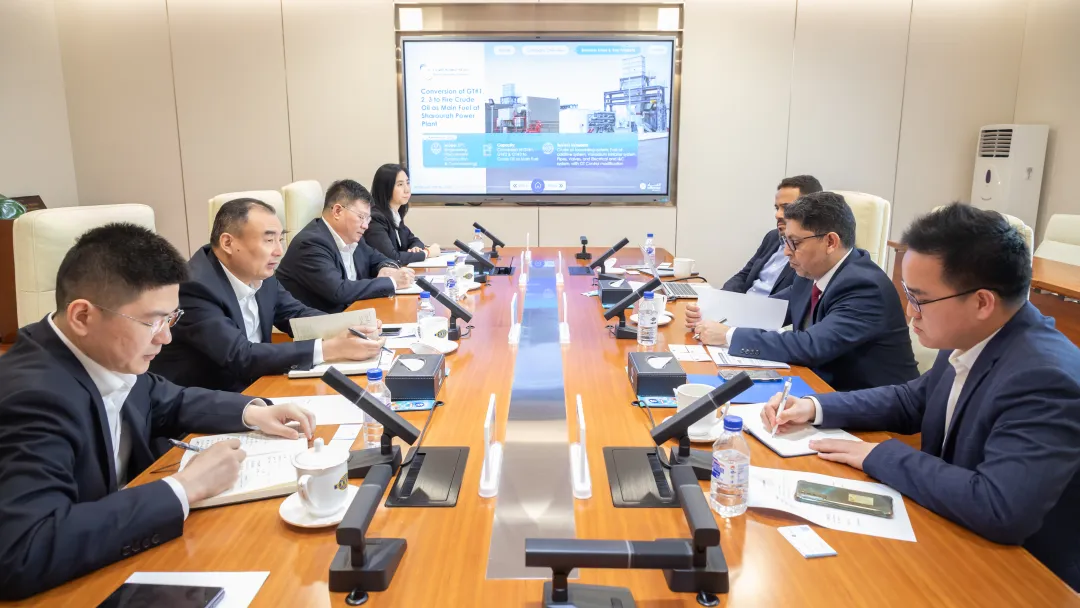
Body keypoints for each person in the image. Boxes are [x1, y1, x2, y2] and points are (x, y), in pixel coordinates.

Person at [762, 203, 1080, 591]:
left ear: (982, 302)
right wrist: (814, 407)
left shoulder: (1045, 378)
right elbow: (912, 401)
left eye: (919, 299)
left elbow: (999, 506)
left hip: (1021, 578)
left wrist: (878, 455)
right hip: (951, 528)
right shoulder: (972, 336)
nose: (909, 313)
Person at [0, 224, 315, 599]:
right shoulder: (32, 397)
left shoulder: (103, 352)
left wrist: (253, 411)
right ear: (82, 316)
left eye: (171, 318)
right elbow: (24, 549)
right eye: (151, 322)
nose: (165, 337)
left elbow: (167, 398)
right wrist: (184, 488)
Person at [686, 191, 918, 391]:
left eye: (794, 243)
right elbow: (769, 310)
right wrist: (709, 313)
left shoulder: (864, 286)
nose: (787, 252)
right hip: (819, 387)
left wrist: (727, 335)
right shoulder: (811, 272)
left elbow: (811, 346)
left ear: (830, 242)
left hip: (869, 407)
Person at [150, 198, 384, 392]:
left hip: (258, 385)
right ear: (228, 242)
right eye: (269, 240)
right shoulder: (195, 288)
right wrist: (330, 348)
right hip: (208, 406)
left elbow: (296, 315)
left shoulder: (259, 272)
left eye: (280, 239)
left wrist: (353, 327)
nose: (279, 251)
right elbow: (240, 356)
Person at [276, 179, 416, 313]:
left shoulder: (353, 237)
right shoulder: (310, 243)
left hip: (355, 313)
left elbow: (379, 258)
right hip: (323, 321)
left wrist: (387, 268)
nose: (365, 226)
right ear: (337, 211)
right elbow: (338, 291)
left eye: (368, 219)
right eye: (361, 217)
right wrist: (392, 281)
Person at [722, 175, 822, 296]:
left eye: (787, 208)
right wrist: (722, 297)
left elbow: (797, 296)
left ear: (811, 210)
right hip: (744, 302)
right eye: (777, 208)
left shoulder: (813, 247)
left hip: (772, 306)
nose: (778, 215)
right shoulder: (772, 237)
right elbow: (744, 275)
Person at [362, 164, 441, 265]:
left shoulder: (394, 214)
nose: (407, 189)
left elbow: (414, 240)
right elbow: (391, 257)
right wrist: (427, 253)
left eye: (407, 183)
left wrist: (415, 248)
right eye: (400, 185)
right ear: (385, 188)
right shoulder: (375, 219)